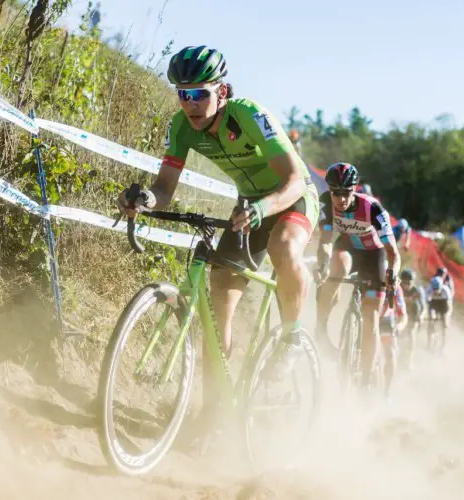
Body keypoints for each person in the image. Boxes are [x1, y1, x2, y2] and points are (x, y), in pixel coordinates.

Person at [116, 45, 319, 422]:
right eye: (183, 94)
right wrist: (144, 198)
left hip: (291, 199)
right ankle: (212, 415)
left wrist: (262, 208)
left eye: (199, 94)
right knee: (216, 315)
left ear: (221, 92)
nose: (190, 103)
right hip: (249, 205)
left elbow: (294, 180)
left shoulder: (249, 115)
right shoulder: (180, 127)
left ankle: (291, 335)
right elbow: (164, 189)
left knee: (285, 246)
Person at [315, 162, 401, 391]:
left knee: (370, 318)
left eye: (346, 193)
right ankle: (321, 326)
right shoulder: (325, 202)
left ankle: (364, 379)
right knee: (336, 266)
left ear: (355, 189)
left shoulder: (372, 208)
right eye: (336, 193)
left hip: (375, 256)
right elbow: (324, 241)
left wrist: (393, 274)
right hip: (347, 247)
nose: (341, 199)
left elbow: (393, 251)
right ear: (329, 190)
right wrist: (322, 264)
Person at [379, 282, 407, 401]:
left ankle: (386, 392)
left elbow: (403, 315)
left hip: (385, 322)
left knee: (390, 354)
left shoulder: (395, 287)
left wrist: (399, 326)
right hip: (366, 317)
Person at [400, 268, 427, 370]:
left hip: (414, 314)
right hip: (402, 313)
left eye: (408, 283)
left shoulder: (417, 291)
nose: (406, 285)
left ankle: (409, 360)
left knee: (411, 334)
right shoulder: (399, 288)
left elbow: (423, 307)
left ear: (413, 282)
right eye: (404, 282)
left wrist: (421, 316)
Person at [425, 267, 454, 352]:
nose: (435, 291)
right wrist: (430, 316)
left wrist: (447, 317)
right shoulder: (429, 288)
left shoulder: (446, 290)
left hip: (444, 303)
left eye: (437, 290)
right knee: (431, 321)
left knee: (444, 324)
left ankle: (443, 346)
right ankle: (429, 343)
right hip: (433, 302)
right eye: (434, 290)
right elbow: (426, 303)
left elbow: (449, 307)